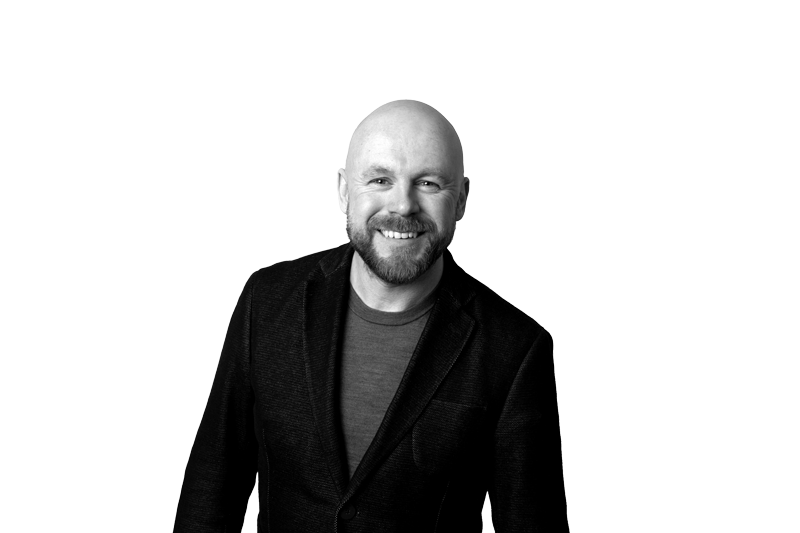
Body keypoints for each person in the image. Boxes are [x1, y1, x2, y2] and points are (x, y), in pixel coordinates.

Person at [173, 100, 570, 532]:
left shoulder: (515, 349)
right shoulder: (267, 301)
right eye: (380, 179)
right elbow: (211, 491)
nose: (402, 205)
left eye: (429, 183)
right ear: (344, 190)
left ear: (462, 199)